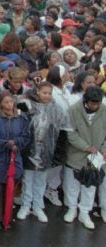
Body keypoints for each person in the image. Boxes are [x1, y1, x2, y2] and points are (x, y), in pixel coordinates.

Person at [17, 81, 70, 223]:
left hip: (47, 150)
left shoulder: (56, 109)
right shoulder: (28, 105)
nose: (47, 96)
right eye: (44, 92)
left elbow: (64, 128)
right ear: (37, 92)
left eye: (49, 93)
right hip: (30, 149)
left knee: (41, 180)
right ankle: (25, 205)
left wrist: (59, 151)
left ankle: (38, 206)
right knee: (28, 179)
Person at [0, 91, 30, 229]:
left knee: (9, 188)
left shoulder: (21, 118)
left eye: (11, 101)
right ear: (0, 104)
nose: (10, 105)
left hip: (14, 156)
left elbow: (26, 136)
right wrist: (4, 143)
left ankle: (6, 216)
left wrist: (16, 143)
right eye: (6, 102)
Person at [63, 86, 106, 230]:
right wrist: (86, 147)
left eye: (98, 103)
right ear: (86, 101)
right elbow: (71, 134)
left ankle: (85, 212)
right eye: (93, 103)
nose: (95, 106)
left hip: (96, 156)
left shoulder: (104, 110)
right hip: (76, 154)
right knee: (72, 184)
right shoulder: (73, 110)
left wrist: (103, 150)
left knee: (90, 185)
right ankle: (71, 208)